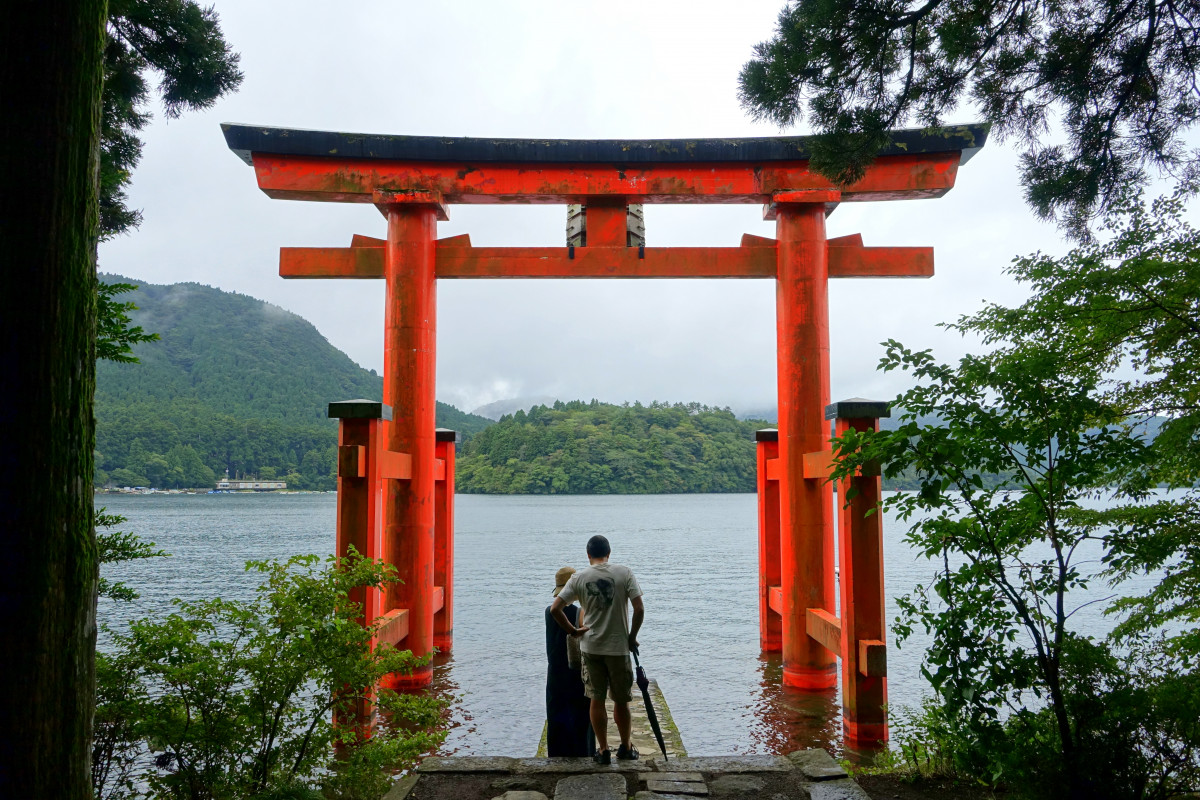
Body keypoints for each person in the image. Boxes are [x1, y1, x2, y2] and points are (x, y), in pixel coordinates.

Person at [549, 535, 644, 765]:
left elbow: (555, 609)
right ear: (609, 553)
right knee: (622, 701)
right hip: (618, 647)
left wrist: (573, 631)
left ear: (588, 555)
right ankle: (625, 746)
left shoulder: (579, 577)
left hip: (590, 648)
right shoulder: (624, 573)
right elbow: (639, 608)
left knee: (596, 699)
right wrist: (632, 637)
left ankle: (602, 751)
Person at [544, 566, 595, 757]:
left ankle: (557, 755)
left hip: (555, 674)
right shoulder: (579, 613)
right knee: (580, 718)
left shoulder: (549, 612)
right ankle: (583, 753)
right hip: (575, 674)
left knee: (557, 716)